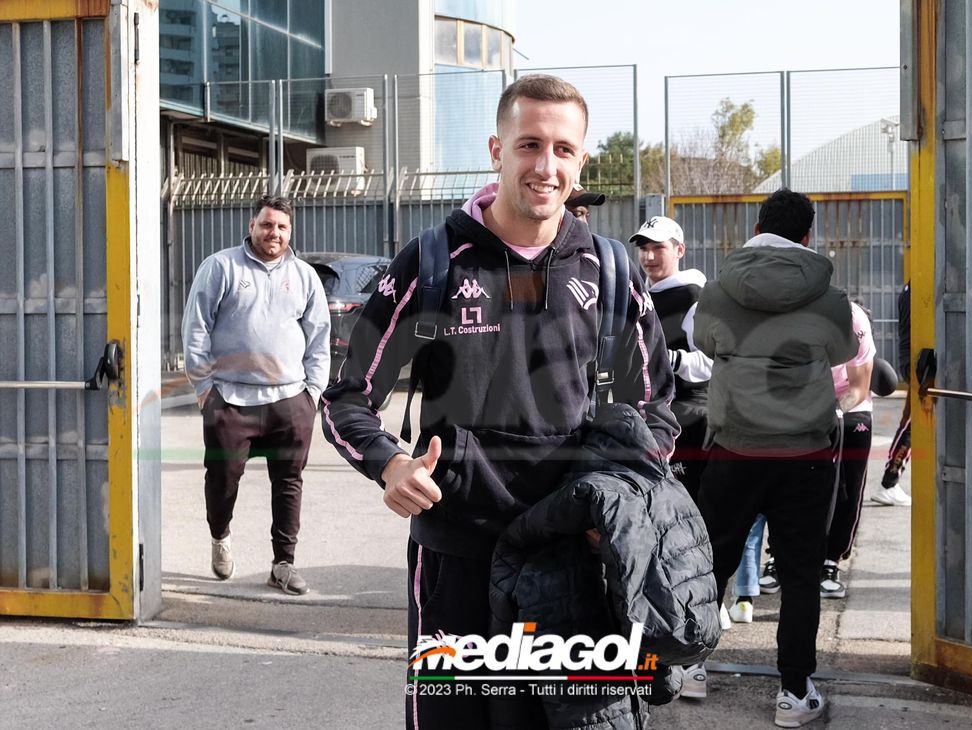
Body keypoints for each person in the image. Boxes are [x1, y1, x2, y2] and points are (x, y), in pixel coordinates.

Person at [320, 74, 678, 729]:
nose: (546, 166)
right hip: (456, 553)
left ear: (581, 160)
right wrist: (390, 466)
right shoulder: (431, 264)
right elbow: (347, 400)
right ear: (496, 149)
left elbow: (656, 408)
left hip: (574, 558)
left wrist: (618, 503)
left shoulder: (611, 271)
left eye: (563, 150)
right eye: (529, 144)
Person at [694, 188, 858, 728]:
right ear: (808, 234)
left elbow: (705, 344)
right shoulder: (831, 299)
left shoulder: (718, 292)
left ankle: (690, 666)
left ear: (757, 226)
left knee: (712, 559)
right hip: (805, 454)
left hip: (734, 448)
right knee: (801, 571)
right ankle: (793, 691)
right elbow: (843, 355)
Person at [181, 194, 330, 596]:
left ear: (290, 231)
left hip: (290, 401)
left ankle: (283, 564)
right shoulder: (221, 267)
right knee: (223, 478)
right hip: (230, 399)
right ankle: (220, 535)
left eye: (282, 227)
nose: (274, 233)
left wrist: (312, 392)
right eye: (267, 225)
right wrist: (203, 389)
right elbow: (195, 329)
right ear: (252, 226)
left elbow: (319, 337)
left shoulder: (304, 276)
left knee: (288, 483)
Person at [629, 215, 716, 699]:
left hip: (689, 420)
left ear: (679, 249)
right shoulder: (642, 293)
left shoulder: (694, 297)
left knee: (686, 531)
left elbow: (708, 362)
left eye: (658, 247)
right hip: (651, 422)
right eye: (643, 247)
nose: (648, 256)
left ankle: (695, 643)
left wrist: (659, 359)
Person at [820, 300, 877, 598]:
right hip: (800, 403)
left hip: (848, 404)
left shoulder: (852, 319)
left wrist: (831, 411)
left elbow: (859, 386)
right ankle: (779, 555)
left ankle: (833, 559)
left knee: (847, 484)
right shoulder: (781, 312)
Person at [871, 281, 913, 506]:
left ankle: (890, 482)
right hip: (920, 362)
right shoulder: (921, 283)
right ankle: (889, 482)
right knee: (912, 423)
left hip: (913, 359)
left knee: (912, 422)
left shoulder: (912, 285)